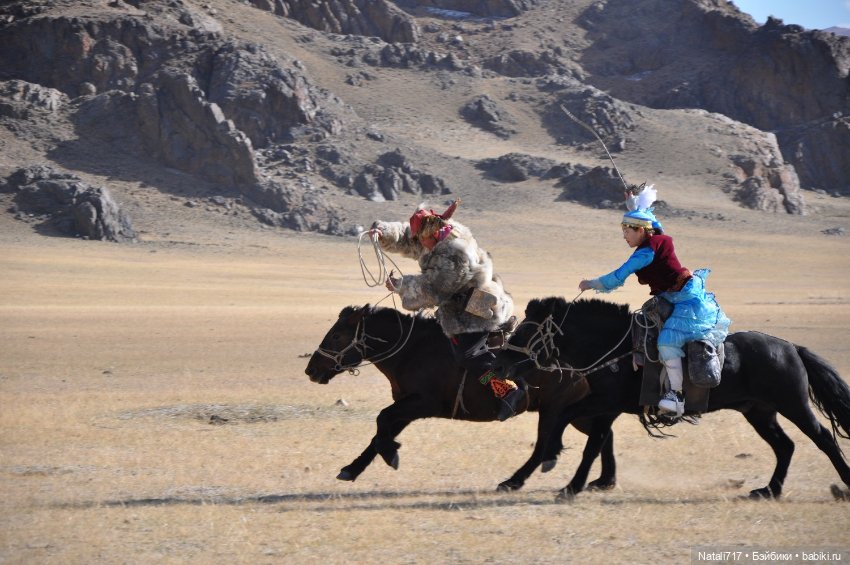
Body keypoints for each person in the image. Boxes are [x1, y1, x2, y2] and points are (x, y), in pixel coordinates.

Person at [578, 184, 731, 418]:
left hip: (686, 301)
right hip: (671, 296)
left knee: (667, 342)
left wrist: (592, 284)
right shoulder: (658, 238)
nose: (624, 236)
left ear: (640, 231)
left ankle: (676, 396)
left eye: (628, 231)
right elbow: (653, 223)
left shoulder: (645, 253)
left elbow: (619, 276)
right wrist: (634, 206)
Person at [369, 199, 524, 420]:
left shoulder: (454, 254)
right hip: (463, 301)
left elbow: (434, 289)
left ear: (430, 234)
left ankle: (507, 388)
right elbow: (407, 236)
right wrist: (382, 232)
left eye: (421, 238)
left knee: (468, 356)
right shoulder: (437, 232)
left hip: (477, 304)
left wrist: (401, 286)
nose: (418, 242)